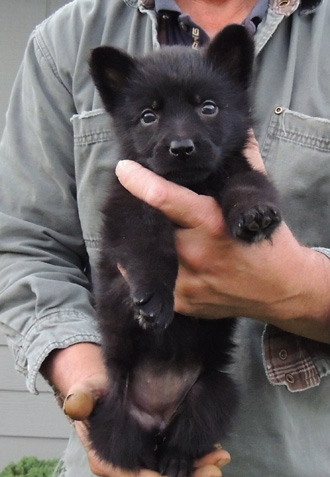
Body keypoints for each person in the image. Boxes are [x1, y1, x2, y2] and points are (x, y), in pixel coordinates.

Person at [0, 0, 330, 475]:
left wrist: (298, 286)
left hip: (291, 451)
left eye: (207, 108)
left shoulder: (234, 166)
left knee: (212, 396)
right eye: (151, 117)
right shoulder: (67, 38)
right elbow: (25, 245)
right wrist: (84, 378)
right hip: (124, 380)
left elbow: (244, 189)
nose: (181, 138)